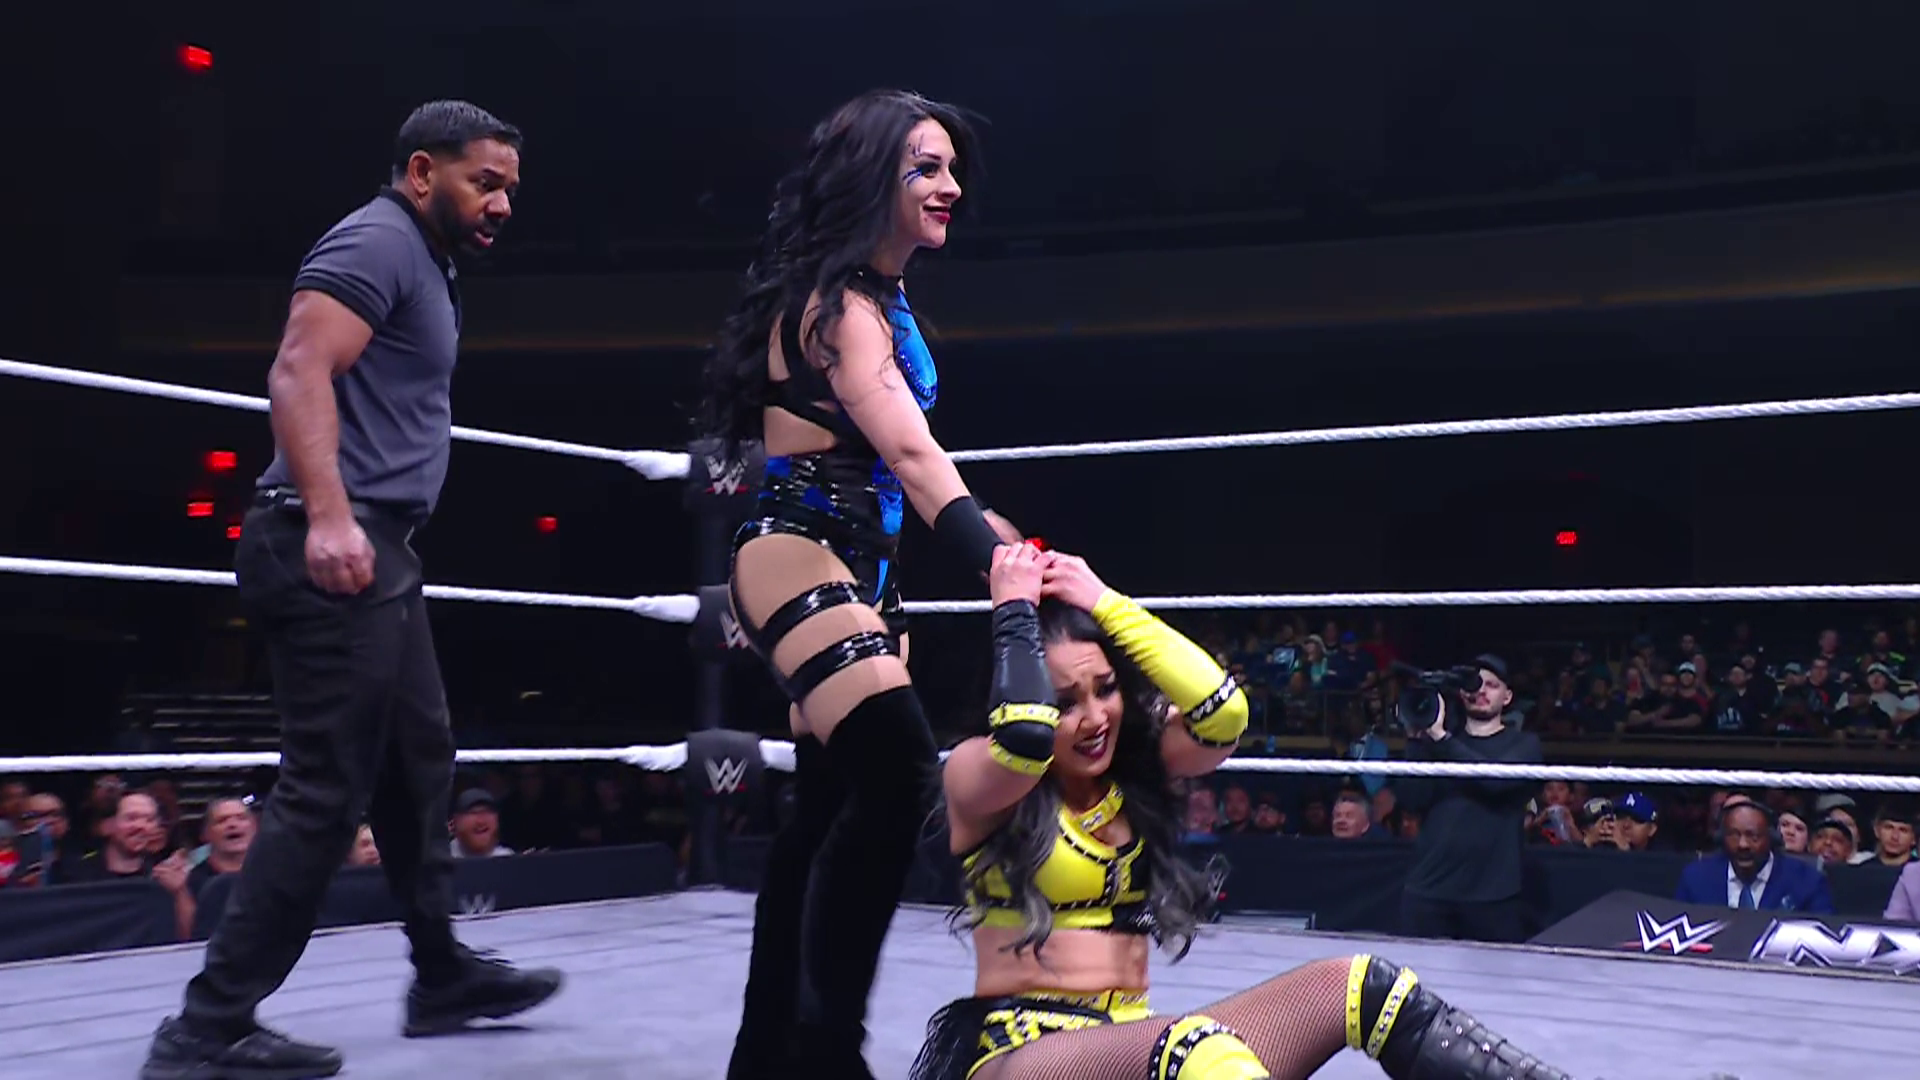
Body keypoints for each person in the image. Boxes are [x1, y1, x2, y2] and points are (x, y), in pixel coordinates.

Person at [141, 101, 561, 1080]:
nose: (502, 204)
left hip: (378, 546)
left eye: (509, 188)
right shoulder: (376, 240)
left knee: (417, 764)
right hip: (327, 536)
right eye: (483, 182)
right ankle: (208, 1025)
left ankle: (441, 973)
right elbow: (299, 371)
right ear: (421, 172)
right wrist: (330, 516)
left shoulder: (424, 259)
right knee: (327, 789)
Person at [913, 547, 1573, 1080]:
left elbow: (1223, 713)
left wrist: (1105, 601)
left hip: (1133, 1044)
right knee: (1198, 1052)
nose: (1094, 718)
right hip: (1021, 1054)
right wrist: (1014, 615)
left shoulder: (1133, 769)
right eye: (1065, 702)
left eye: (1105, 688)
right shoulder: (981, 774)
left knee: (1364, 987)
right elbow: (1025, 739)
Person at [694, 89, 1015, 1079]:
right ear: (874, 177)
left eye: (952, 168)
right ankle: (829, 1050)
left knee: (828, 808)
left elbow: (909, 459)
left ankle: (764, 1056)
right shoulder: (836, 306)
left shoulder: (883, 297)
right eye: (926, 167)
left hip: (869, 569)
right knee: (898, 775)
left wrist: (992, 537)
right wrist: (988, 553)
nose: (950, 186)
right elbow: (911, 455)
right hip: (796, 548)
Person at [1391, 657, 1543, 942]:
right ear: (1461, 694)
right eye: (1474, 685)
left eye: (1492, 685)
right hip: (1429, 889)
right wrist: (1415, 740)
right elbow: (1412, 800)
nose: (1481, 691)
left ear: (1507, 696)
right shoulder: (1439, 744)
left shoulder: (1524, 744)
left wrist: (1440, 737)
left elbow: (1495, 783)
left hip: (1492, 895)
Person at [1674, 801, 1834, 913]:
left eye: (1753, 836)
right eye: (1734, 835)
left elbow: (1821, 941)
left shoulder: (1808, 882)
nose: (1743, 845)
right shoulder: (1695, 878)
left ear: (1772, 838)